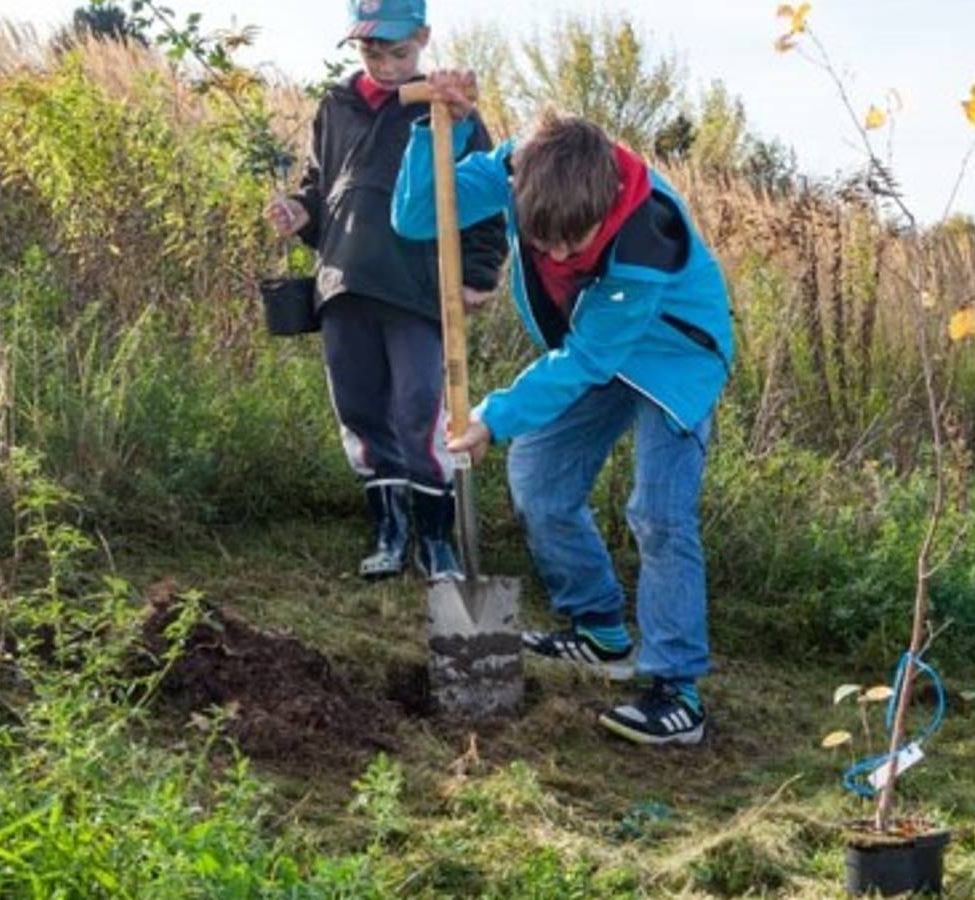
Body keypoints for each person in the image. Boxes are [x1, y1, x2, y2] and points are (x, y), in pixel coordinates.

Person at [391, 71, 735, 746]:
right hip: (594, 347)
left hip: (675, 358)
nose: (551, 256)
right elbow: (414, 216)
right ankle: (600, 630)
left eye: (570, 246)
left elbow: (586, 361)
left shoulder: (646, 232)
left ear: (604, 205)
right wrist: (445, 127)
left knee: (658, 513)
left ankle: (676, 692)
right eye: (538, 240)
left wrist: (494, 413)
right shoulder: (524, 167)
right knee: (539, 481)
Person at [265, 0, 508, 583]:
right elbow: (322, 190)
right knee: (360, 410)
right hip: (344, 283)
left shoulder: (448, 109)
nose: (384, 62)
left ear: (423, 37)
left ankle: (437, 541)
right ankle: (389, 532)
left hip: (418, 288)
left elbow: (483, 198)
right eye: (371, 49)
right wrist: (301, 213)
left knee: (420, 409)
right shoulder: (335, 105)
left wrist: (478, 272)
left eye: (397, 50)